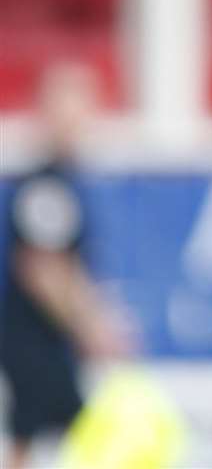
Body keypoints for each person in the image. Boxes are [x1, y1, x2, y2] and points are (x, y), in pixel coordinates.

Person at [1, 63, 130, 469]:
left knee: (35, 436)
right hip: (34, 340)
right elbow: (45, 270)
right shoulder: (47, 185)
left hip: (41, 339)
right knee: (82, 435)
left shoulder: (59, 182)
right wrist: (92, 328)